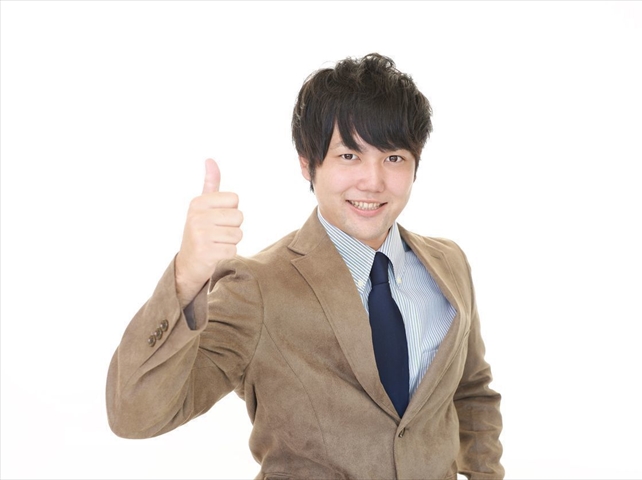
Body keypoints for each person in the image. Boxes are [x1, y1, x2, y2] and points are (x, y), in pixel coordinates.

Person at [106, 53, 504, 479]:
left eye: (393, 158)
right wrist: (186, 276)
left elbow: (472, 392)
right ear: (306, 163)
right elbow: (134, 414)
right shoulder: (257, 286)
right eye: (349, 156)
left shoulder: (449, 265)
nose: (373, 181)